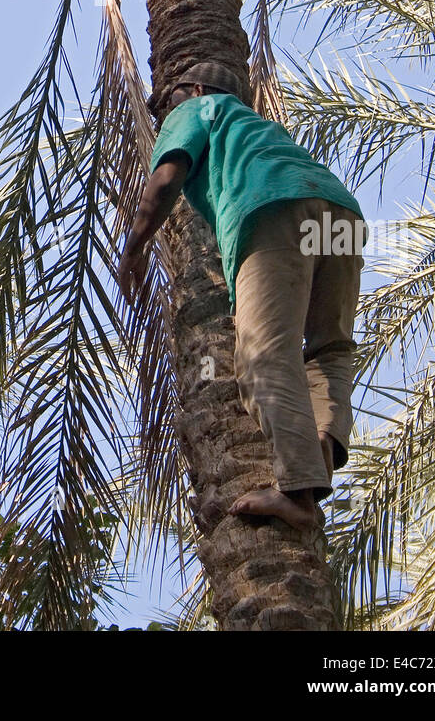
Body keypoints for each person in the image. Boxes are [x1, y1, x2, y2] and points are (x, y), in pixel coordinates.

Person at [118, 62, 366, 530]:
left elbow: (168, 176)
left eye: (167, 102)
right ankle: (316, 461)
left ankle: (296, 492)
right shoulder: (262, 129)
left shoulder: (201, 107)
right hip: (341, 215)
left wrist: (133, 249)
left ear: (192, 89)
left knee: (263, 355)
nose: (164, 115)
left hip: (274, 210)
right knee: (329, 351)